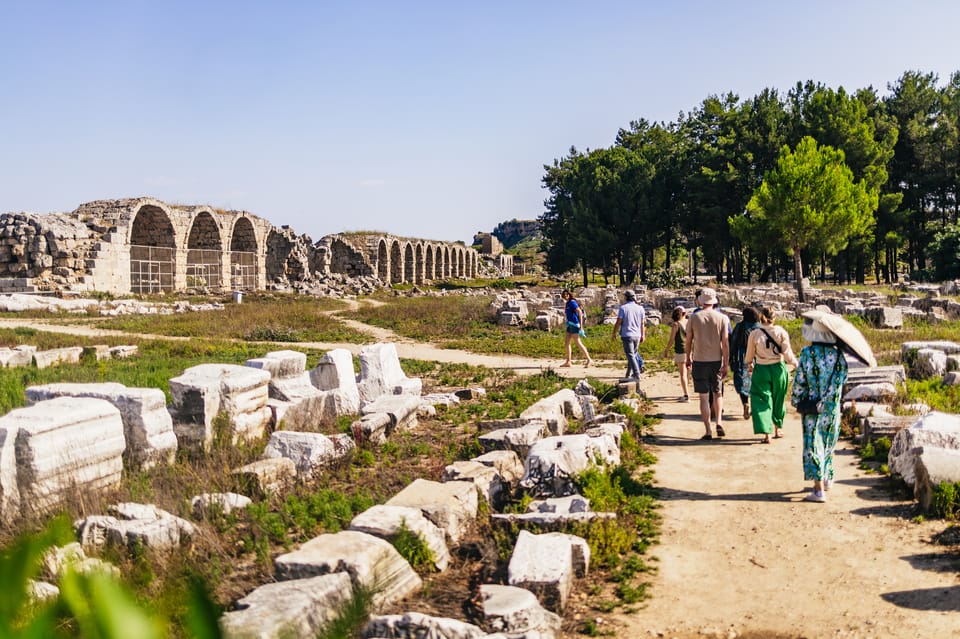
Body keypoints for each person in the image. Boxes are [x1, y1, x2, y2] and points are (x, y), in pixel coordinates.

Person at [790, 315, 848, 503]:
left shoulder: (808, 354)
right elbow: (843, 379)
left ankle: (818, 490)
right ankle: (827, 477)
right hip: (832, 407)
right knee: (829, 442)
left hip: (812, 406)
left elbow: (800, 379)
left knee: (814, 444)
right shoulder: (839, 355)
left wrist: (797, 399)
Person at [744, 306, 798, 444]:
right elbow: (787, 353)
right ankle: (778, 428)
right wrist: (796, 364)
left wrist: (749, 363)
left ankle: (766, 432)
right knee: (778, 398)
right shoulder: (781, 332)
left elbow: (749, 353)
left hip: (761, 368)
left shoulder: (755, 333)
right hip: (778, 368)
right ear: (774, 318)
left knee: (762, 399)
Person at [684, 287, 730, 440]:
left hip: (699, 360)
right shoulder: (722, 318)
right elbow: (725, 342)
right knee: (718, 393)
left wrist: (688, 357)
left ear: (701, 301)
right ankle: (719, 421)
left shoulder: (694, 317)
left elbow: (689, 340)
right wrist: (726, 363)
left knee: (703, 397)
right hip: (716, 360)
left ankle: (708, 430)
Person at [729, 306, 760, 419]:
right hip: (757, 357)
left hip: (741, 357)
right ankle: (754, 407)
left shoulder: (740, 326)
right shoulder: (759, 327)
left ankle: (745, 403)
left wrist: (730, 358)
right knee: (756, 383)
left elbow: (733, 342)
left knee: (742, 382)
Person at [611, 289, 645, 380]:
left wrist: (614, 333)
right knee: (633, 354)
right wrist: (643, 334)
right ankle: (628, 374)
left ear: (626, 297)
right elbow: (642, 323)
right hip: (637, 335)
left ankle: (637, 374)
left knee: (630, 355)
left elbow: (618, 321)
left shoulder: (623, 308)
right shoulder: (640, 308)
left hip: (627, 334)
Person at [662, 305, 689, 401]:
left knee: (683, 374)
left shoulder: (676, 324)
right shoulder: (689, 323)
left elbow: (672, 339)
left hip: (681, 350)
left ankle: (686, 395)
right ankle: (690, 391)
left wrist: (666, 350)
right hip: (691, 350)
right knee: (688, 372)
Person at [561, 290, 592, 367]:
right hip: (569, 325)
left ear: (569, 294)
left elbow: (579, 312)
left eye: (566, 294)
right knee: (567, 342)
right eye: (564, 295)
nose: (565, 296)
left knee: (578, 342)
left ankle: (589, 360)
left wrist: (581, 326)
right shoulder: (568, 303)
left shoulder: (572, 302)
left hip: (574, 325)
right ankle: (568, 361)